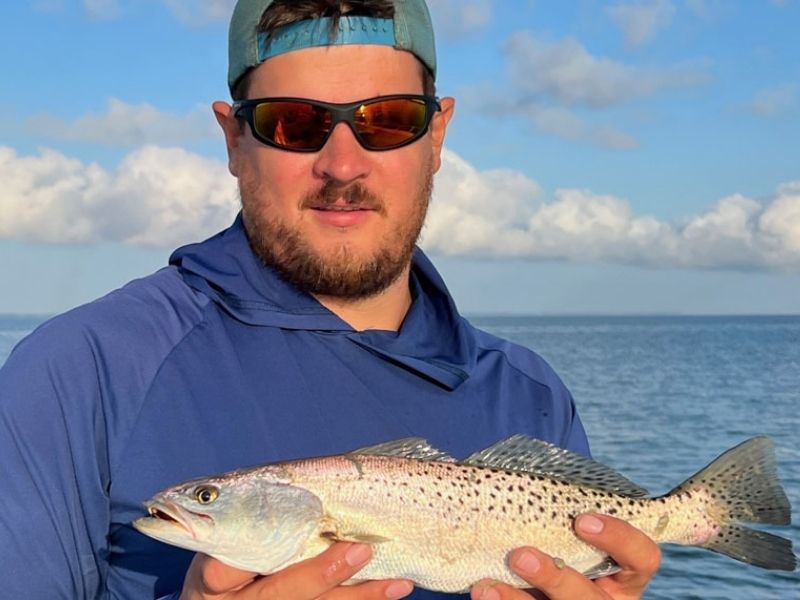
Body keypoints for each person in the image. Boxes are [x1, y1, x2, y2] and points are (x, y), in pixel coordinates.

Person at [0, 1, 661, 598]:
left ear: (436, 136)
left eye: (389, 120)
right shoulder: (78, 372)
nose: (343, 166)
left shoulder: (531, 392)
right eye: (293, 123)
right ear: (234, 140)